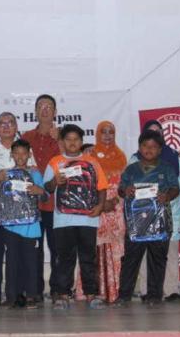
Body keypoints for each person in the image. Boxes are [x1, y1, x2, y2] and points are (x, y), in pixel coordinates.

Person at [44, 124, 107, 310]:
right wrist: (55, 181)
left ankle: (91, 295)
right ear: (62, 142)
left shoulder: (92, 162)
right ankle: (63, 295)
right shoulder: (55, 162)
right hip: (63, 220)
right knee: (65, 259)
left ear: (81, 141)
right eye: (68, 139)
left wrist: (100, 206)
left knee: (88, 258)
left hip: (88, 219)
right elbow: (47, 188)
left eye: (76, 139)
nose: (72, 143)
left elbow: (102, 187)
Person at [0, 112, 36, 308]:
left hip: (19, 215)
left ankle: (17, 293)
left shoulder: (25, 148)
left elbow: (32, 173)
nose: (6, 126)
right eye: (1, 123)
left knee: (16, 255)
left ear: (16, 126)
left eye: (10, 122)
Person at [117, 130, 179, 307]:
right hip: (136, 223)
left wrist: (167, 196)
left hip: (159, 222)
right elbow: (121, 189)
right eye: (145, 146)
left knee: (157, 259)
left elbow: (175, 188)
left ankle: (154, 295)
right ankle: (124, 295)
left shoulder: (166, 168)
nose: (149, 150)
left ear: (160, 149)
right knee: (131, 259)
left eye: (153, 147)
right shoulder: (131, 169)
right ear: (139, 147)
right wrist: (125, 190)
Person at [134, 120, 180, 302]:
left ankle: (171, 290)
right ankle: (146, 291)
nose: (155, 135)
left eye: (158, 132)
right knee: (145, 252)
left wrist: (165, 191)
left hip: (170, 208)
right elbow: (130, 183)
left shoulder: (174, 157)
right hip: (145, 212)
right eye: (151, 132)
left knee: (170, 252)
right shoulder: (134, 159)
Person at [74, 121, 126, 304]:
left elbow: (124, 185)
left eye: (111, 132)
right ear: (97, 134)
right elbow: (83, 183)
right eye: (103, 132)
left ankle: (113, 292)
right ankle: (92, 291)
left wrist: (115, 200)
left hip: (115, 208)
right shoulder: (89, 156)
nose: (107, 135)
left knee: (114, 250)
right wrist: (101, 204)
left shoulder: (121, 157)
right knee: (92, 249)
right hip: (95, 206)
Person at [0, 139, 47, 309]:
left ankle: (31, 295)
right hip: (10, 226)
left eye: (23, 153)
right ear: (11, 155)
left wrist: (39, 191)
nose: (20, 156)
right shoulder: (5, 173)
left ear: (29, 155)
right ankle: (11, 296)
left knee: (31, 262)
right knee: (11, 262)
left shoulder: (35, 174)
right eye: (16, 153)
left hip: (31, 226)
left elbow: (45, 196)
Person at [21, 94, 61, 300]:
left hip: (57, 204)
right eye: (41, 106)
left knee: (57, 249)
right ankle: (34, 290)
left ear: (55, 112)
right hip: (32, 203)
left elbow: (72, 161)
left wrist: (59, 140)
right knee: (33, 250)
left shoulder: (64, 136)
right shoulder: (26, 137)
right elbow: (19, 163)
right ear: (35, 112)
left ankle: (58, 290)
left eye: (49, 106)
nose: (45, 109)